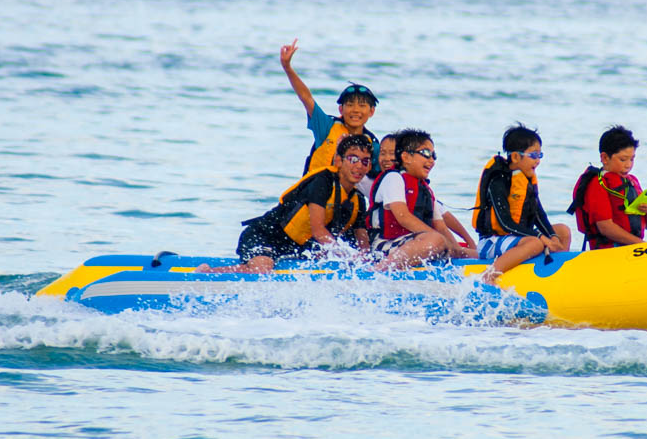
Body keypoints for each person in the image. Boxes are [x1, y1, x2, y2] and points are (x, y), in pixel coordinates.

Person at [197, 135, 373, 273]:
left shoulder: (357, 198)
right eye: (353, 159)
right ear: (338, 161)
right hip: (265, 235)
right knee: (262, 269)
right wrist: (345, 254)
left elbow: (361, 235)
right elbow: (319, 230)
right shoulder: (323, 182)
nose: (359, 166)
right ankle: (207, 272)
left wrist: (364, 257)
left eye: (365, 161)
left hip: (293, 248)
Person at [472, 124, 571, 284]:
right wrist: (541, 237)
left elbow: (538, 214)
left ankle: (552, 274)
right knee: (535, 242)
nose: (538, 160)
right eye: (533, 155)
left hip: (516, 239)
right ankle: (487, 277)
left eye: (540, 155)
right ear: (516, 157)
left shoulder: (526, 180)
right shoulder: (498, 180)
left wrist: (552, 236)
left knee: (563, 231)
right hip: (492, 241)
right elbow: (505, 223)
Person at [367, 129, 478, 270]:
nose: (431, 160)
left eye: (434, 155)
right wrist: (440, 240)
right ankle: (378, 270)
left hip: (417, 243)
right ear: (406, 157)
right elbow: (403, 217)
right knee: (436, 240)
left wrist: (455, 249)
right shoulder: (393, 178)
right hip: (385, 246)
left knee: (476, 253)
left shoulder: (425, 190)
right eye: (426, 154)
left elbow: (441, 226)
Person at [280, 38, 381, 177]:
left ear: (371, 112)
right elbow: (306, 97)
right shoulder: (326, 127)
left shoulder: (373, 146)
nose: (356, 110)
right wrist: (287, 67)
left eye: (362, 106)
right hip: (314, 193)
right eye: (350, 105)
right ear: (341, 110)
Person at [570, 125, 647, 250]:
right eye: (623, 159)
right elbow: (605, 227)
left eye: (632, 159)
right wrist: (642, 246)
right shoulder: (598, 184)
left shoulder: (632, 181)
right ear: (605, 158)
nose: (628, 165)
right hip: (608, 252)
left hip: (633, 248)